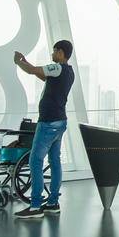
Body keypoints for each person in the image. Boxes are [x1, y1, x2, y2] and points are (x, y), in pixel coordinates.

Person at [13, 40, 74, 218]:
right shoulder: (68, 71)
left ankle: (35, 206)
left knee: (35, 161)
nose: (52, 54)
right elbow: (41, 75)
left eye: (54, 51)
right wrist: (26, 63)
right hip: (60, 121)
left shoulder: (58, 67)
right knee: (54, 161)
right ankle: (53, 203)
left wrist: (19, 62)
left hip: (48, 122)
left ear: (62, 53)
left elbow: (33, 71)